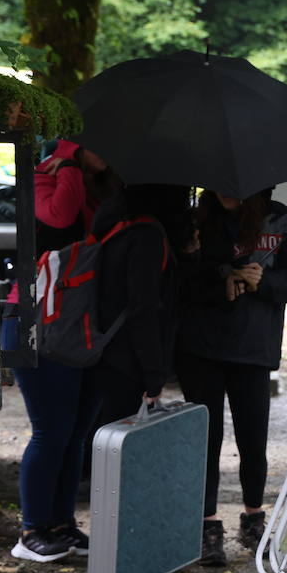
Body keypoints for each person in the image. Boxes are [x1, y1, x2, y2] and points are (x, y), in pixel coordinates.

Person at [175, 188, 287, 567]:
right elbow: (179, 282)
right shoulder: (195, 219)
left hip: (254, 348)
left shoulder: (282, 221)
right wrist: (222, 280)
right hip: (200, 347)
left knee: (253, 437)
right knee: (205, 439)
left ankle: (254, 518)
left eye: (234, 184)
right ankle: (206, 525)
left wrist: (263, 282)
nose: (225, 190)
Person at [2, 141, 117, 562]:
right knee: (51, 431)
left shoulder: (100, 188)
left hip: (75, 323)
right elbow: (60, 216)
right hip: (36, 320)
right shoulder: (45, 177)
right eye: (100, 141)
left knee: (74, 433)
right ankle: (31, 530)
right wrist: (68, 162)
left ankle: (61, 524)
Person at [88, 183, 192, 441]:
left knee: (95, 438)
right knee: (117, 443)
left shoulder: (116, 226)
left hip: (100, 347)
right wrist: (153, 375)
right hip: (126, 359)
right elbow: (143, 308)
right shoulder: (148, 236)